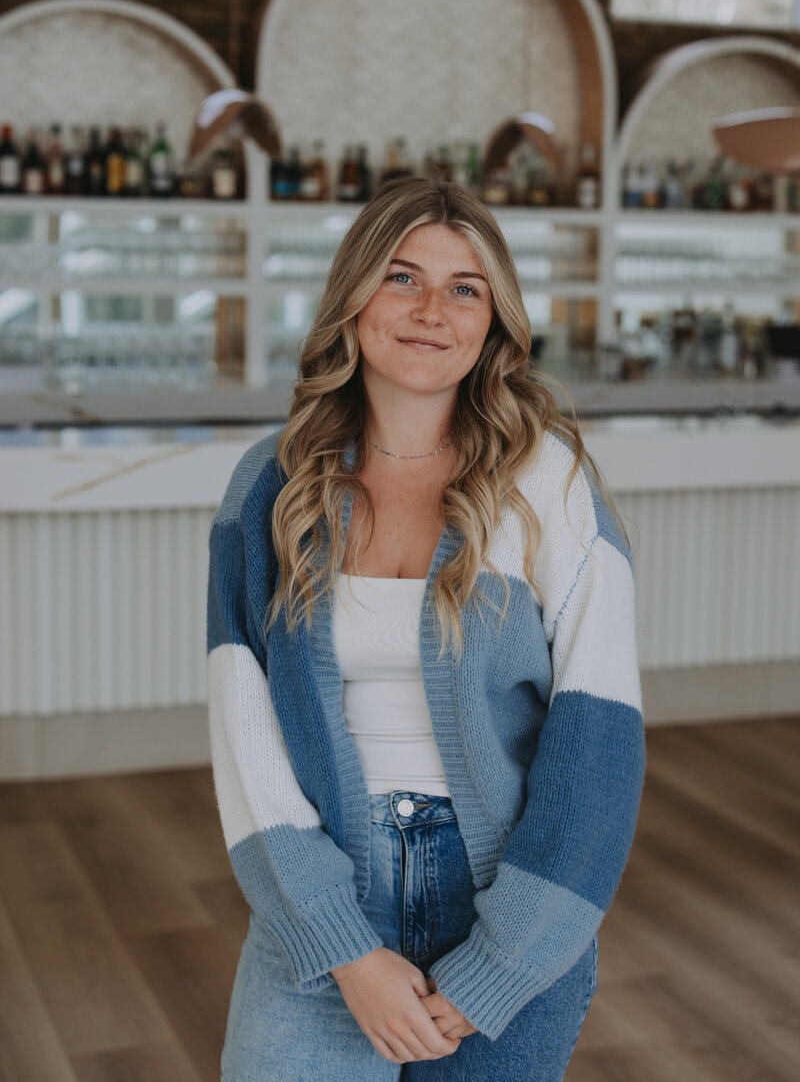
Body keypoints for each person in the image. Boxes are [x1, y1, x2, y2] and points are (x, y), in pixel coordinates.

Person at [206, 175, 646, 1080]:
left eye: (465, 288)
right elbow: (243, 729)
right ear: (355, 294)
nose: (430, 310)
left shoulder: (550, 486)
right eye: (402, 277)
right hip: (325, 892)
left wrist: (499, 966)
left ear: (494, 321)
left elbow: (597, 744)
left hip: (512, 901)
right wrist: (346, 949)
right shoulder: (272, 485)